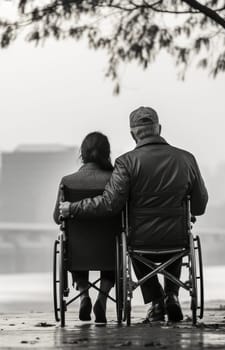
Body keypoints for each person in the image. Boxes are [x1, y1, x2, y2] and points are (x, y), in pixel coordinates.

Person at [60, 106, 208, 323]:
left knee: (132, 237)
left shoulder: (126, 163)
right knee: (179, 228)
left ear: (132, 133)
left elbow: (110, 204)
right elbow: (199, 206)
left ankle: (157, 301)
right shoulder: (187, 159)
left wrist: (72, 208)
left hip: (140, 241)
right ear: (159, 128)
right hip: (177, 238)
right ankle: (173, 296)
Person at [53, 131, 116, 324]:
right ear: (107, 153)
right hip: (109, 250)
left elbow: (57, 217)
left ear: (83, 153)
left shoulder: (67, 182)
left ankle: (83, 295)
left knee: (72, 242)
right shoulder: (115, 181)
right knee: (115, 242)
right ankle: (102, 299)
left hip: (78, 251)